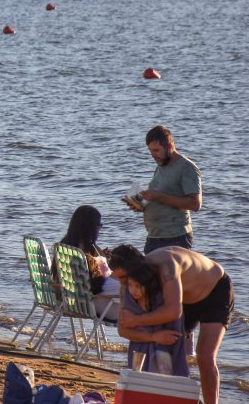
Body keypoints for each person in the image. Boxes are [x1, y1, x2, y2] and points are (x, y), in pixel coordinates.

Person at [109, 245, 232, 404]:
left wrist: (136, 320)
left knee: (205, 355)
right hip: (182, 299)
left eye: (123, 278)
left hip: (214, 290)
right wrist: (152, 336)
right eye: (119, 279)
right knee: (165, 345)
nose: (123, 284)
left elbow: (173, 311)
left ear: (135, 269)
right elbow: (122, 328)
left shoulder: (166, 266)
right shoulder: (131, 281)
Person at [125, 125, 201, 253]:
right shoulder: (161, 165)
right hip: (154, 236)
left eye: (156, 150)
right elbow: (161, 197)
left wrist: (157, 196)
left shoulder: (187, 168)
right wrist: (141, 205)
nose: (153, 155)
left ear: (170, 146)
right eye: (150, 151)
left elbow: (195, 204)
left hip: (175, 238)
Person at [119, 259, 189, 377]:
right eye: (130, 285)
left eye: (138, 286)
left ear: (148, 285)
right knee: (138, 379)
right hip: (138, 350)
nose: (133, 290)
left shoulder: (161, 302)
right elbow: (123, 330)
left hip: (162, 351)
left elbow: (174, 330)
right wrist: (153, 336)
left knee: (162, 380)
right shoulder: (130, 303)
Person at [56, 205, 119, 321]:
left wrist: (100, 259)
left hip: (74, 302)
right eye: (99, 225)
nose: (100, 229)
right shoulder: (85, 250)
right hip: (97, 306)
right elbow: (97, 283)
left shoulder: (65, 246)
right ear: (90, 227)